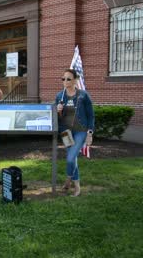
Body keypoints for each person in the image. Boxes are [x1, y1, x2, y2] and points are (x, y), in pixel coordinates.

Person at [56, 69, 95, 197]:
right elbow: (57, 119)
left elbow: (91, 115)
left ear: (75, 80)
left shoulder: (83, 95)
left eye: (68, 79)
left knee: (71, 157)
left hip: (81, 131)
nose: (65, 81)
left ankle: (70, 181)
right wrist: (58, 111)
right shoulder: (59, 96)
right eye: (63, 79)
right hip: (65, 131)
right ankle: (73, 184)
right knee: (72, 158)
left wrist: (90, 132)